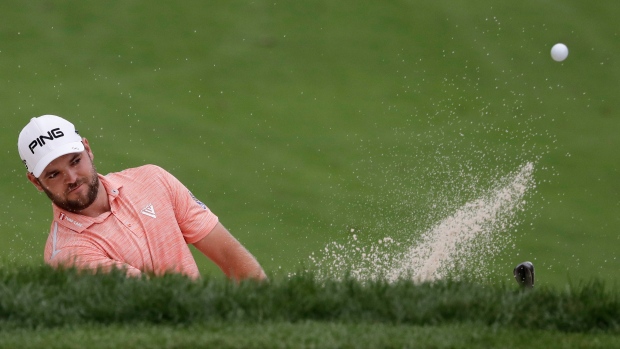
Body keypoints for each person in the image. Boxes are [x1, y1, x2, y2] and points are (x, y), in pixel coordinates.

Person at [18, 114, 267, 281]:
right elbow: (162, 307)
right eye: (54, 174)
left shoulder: (153, 180)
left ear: (88, 149)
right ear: (35, 181)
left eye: (75, 161)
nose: (71, 178)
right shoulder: (67, 255)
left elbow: (230, 256)